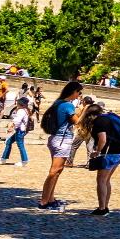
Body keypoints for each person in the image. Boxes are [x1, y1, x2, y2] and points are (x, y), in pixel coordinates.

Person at [38, 80, 84, 211]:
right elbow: (77, 122)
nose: (79, 95)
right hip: (63, 140)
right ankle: (44, 201)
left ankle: (50, 198)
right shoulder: (68, 106)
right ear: (73, 91)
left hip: (54, 138)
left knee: (57, 171)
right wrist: (83, 110)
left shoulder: (58, 102)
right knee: (54, 171)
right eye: (78, 92)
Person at [81, 103, 120, 215]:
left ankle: (102, 209)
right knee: (106, 180)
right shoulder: (110, 117)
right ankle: (105, 206)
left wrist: (97, 152)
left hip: (110, 153)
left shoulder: (100, 121)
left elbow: (102, 139)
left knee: (101, 180)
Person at [0, 96, 33, 166]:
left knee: (20, 145)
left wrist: (11, 127)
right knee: (9, 142)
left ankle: (24, 160)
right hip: (21, 130)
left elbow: (17, 121)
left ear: (20, 104)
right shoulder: (26, 110)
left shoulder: (21, 111)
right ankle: (3, 159)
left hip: (20, 131)